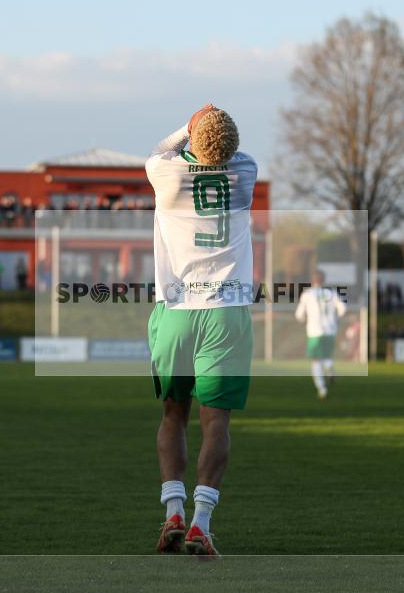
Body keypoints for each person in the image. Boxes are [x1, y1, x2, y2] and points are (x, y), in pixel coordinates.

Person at [146, 104, 255, 558]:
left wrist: (191, 126)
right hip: (226, 312)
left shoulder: (165, 176)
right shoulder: (245, 172)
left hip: (175, 309)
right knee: (218, 424)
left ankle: (172, 510)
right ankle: (200, 524)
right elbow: (232, 151)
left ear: (193, 136)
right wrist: (214, 132)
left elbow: (161, 149)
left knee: (174, 416)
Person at [295, 269, 347, 399]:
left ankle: (322, 389)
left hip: (314, 331)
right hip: (330, 330)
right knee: (327, 355)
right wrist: (335, 319)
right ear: (323, 280)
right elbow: (343, 308)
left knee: (316, 360)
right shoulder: (332, 293)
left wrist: (304, 320)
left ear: (312, 281)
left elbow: (299, 315)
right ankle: (329, 368)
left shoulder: (307, 294)